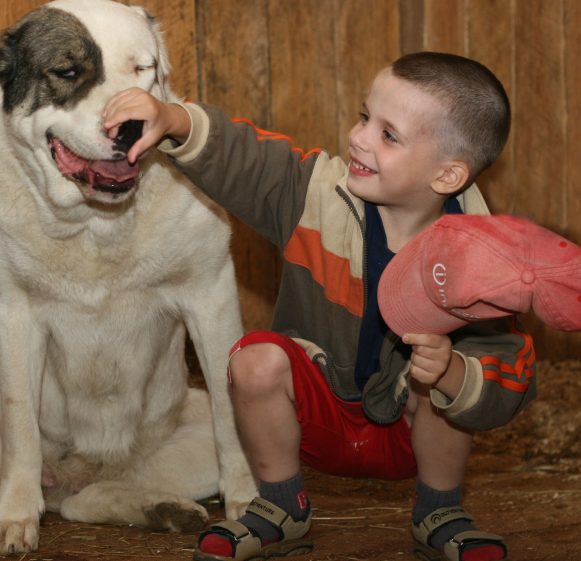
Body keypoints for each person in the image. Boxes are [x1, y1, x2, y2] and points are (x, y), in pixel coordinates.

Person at [102, 52, 532, 561]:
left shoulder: (480, 265)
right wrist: (173, 119)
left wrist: (453, 371)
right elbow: (249, 161)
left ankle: (440, 512)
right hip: (319, 419)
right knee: (254, 360)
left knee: (439, 378)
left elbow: (510, 375)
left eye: (388, 135)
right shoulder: (317, 196)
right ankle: (282, 508)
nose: (359, 137)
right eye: (364, 116)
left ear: (447, 175)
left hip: (409, 430)